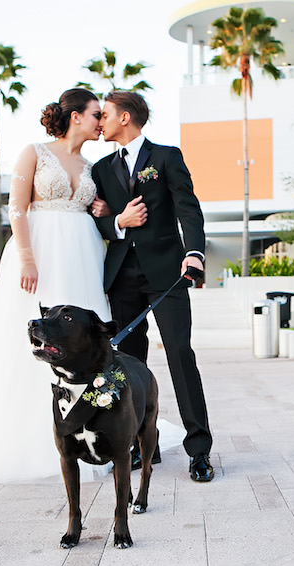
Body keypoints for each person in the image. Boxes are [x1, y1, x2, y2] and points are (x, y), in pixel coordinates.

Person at [0, 89, 112, 486]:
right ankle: (27, 440)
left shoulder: (92, 165)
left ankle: (90, 432)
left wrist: (104, 209)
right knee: (34, 335)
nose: (101, 121)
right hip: (41, 250)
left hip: (83, 252)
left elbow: (99, 211)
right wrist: (26, 256)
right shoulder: (35, 152)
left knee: (82, 339)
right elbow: (16, 207)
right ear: (76, 115)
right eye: (97, 114)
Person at [90, 91, 214, 482]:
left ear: (125, 118)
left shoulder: (165, 157)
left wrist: (193, 252)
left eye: (105, 115)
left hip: (167, 274)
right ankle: (146, 447)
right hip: (121, 278)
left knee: (180, 356)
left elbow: (188, 209)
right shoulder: (101, 169)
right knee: (130, 366)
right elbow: (97, 222)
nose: (100, 121)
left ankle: (199, 451)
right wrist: (116, 220)